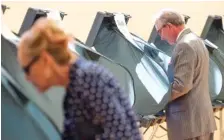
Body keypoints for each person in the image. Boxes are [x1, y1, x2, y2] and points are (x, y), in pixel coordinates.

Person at [17, 17, 142, 140]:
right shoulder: (75, 87)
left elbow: (121, 135)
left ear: (45, 59)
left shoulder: (88, 79)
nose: (27, 78)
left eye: (27, 69)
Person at [154, 9, 217, 140]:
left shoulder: (184, 45)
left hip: (188, 123)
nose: (161, 37)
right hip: (201, 120)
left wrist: (158, 100)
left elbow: (181, 86)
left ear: (169, 26)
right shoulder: (197, 40)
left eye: (159, 31)